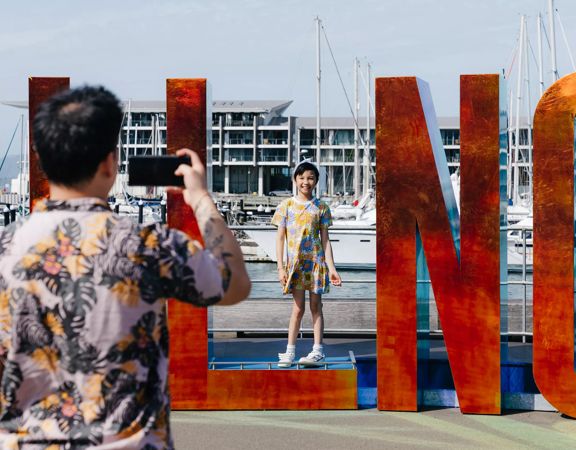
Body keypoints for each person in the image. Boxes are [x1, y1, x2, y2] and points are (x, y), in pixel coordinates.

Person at [0, 86, 250, 449]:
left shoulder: (6, 249)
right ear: (109, 162)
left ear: (42, 160)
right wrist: (199, 197)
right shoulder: (147, 246)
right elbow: (234, 284)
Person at [271, 161, 341, 368]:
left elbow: (326, 241)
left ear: (316, 181)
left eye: (310, 178)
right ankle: (290, 351)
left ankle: (318, 351)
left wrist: (332, 269)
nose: (305, 182)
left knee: (316, 307)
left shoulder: (321, 207)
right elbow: (280, 239)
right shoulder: (286, 206)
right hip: (296, 265)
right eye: (301, 178)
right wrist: (281, 267)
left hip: (316, 264)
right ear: (295, 180)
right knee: (297, 308)